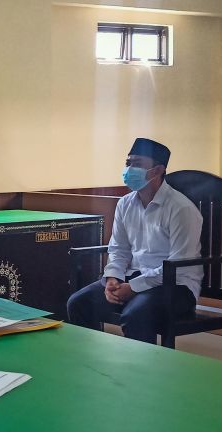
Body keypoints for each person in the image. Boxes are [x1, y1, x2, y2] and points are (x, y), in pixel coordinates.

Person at [66, 138, 202, 344]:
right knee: (78, 303)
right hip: (133, 277)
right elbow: (119, 249)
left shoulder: (181, 209)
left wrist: (134, 287)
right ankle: (91, 366)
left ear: (157, 171)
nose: (129, 169)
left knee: (136, 315)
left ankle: (145, 374)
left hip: (176, 286)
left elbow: (180, 266)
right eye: (127, 163)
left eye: (136, 164)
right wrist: (113, 277)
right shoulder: (125, 204)